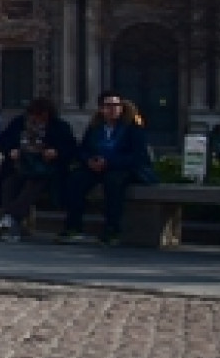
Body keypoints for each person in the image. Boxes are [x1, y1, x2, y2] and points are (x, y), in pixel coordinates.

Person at [57, 90, 151, 246]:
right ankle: (73, 227)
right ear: (101, 109)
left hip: (123, 168)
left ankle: (112, 229)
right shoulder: (95, 127)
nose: (113, 108)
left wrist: (109, 162)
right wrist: (89, 161)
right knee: (76, 180)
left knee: (113, 182)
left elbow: (138, 156)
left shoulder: (133, 128)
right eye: (108, 105)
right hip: (97, 167)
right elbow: (83, 149)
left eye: (116, 105)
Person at [0, 97, 77, 242]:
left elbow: (71, 148)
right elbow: (4, 140)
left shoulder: (59, 126)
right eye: (34, 115)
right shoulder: (19, 123)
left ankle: (11, 219)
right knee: (9, 185)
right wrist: (11, 150)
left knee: (32, 186)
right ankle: (13, 223)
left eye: (41, 115)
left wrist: (56, 152)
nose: (37, 118)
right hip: (21, 165)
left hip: (46, 169)